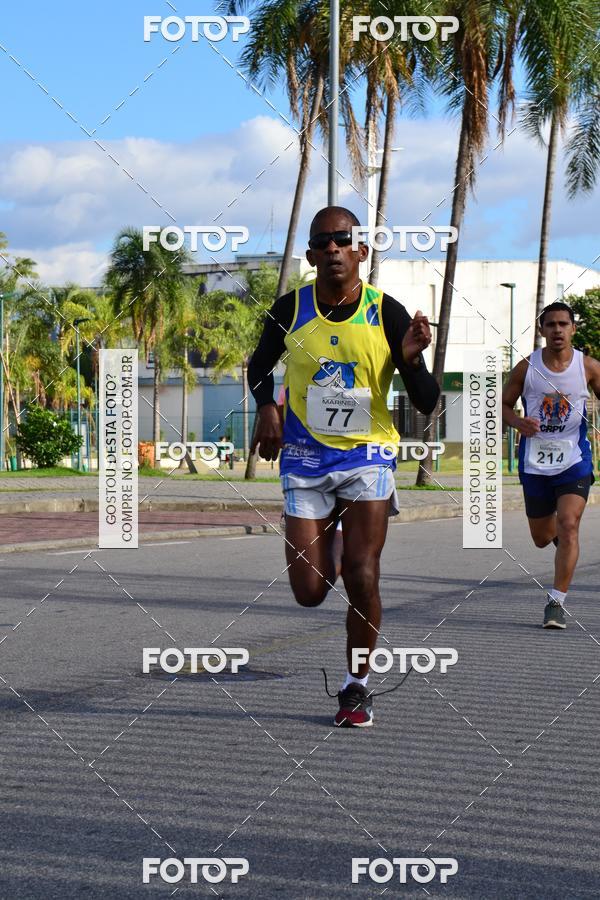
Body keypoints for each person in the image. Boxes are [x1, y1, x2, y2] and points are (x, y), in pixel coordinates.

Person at [248, 206, 440, 726]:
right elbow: (257, 366)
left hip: (366, 456)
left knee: (361, 573)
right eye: (322, 241)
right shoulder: (290, 308)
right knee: (310, 593)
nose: (333, 248)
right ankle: (329, 532)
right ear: (311, 254)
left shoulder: (386, 312)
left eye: (342, 239)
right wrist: (268, 406)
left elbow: (425, 402)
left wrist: (413, 359)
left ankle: (356, 687)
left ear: (361, 250)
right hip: (306, 457)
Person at [502, 301, 600, 629]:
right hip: (535, 463)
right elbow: (501, 405)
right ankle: (562, 543)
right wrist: (517, 422)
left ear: (573, 328)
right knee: (543, 537)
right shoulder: (526, 367)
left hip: (574, 459)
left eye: (563, 324)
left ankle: (555, 603)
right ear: (542, 330)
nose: (557, 330)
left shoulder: (588, 367)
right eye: (551, 325)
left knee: (569, 524)